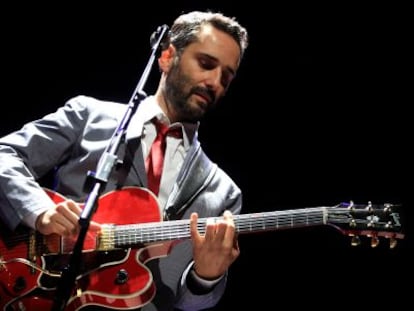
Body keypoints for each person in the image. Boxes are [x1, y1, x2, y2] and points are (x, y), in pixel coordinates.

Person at [0, 10, 249, 311]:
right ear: (167, 57)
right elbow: (4, 155)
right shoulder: (88, 116)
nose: (215, 82)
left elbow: (191, 302)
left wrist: (207, 277)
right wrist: (39, 210)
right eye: (206, 64)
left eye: (227, 75)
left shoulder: (224, 192)